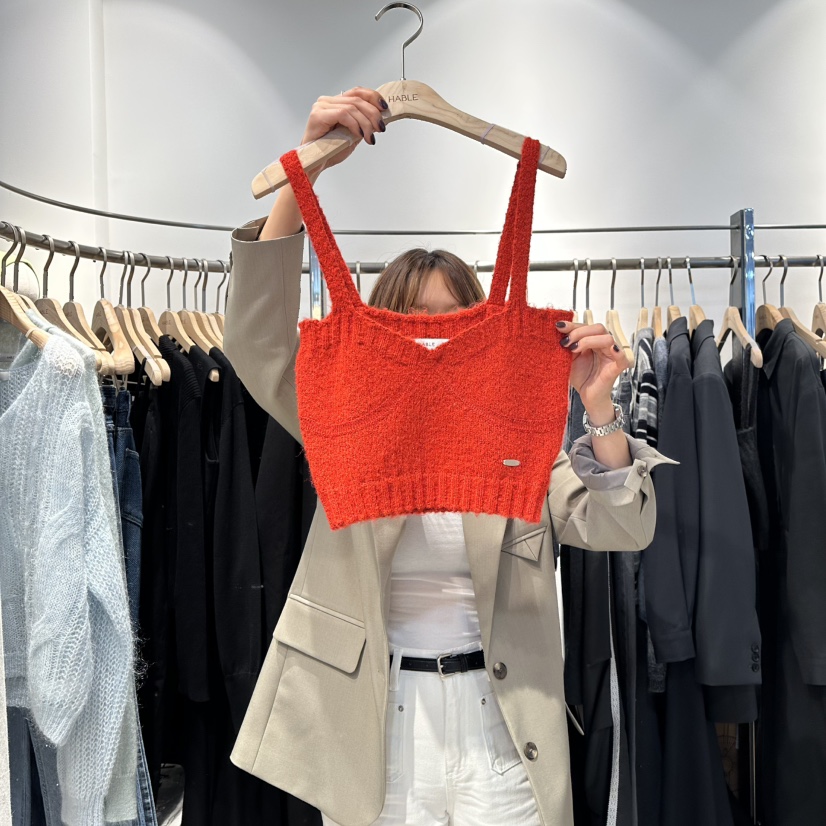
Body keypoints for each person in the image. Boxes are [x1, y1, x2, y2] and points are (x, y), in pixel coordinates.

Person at [223, 87, 675, 826]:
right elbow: (256, 340)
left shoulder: (512, 433)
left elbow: (624, 526)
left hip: (501, 721)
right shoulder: (349, 411)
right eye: (410, 323)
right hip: (375, 720)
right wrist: (308, 169)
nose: (430, 343)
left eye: (449, 322)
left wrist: (601, 412)